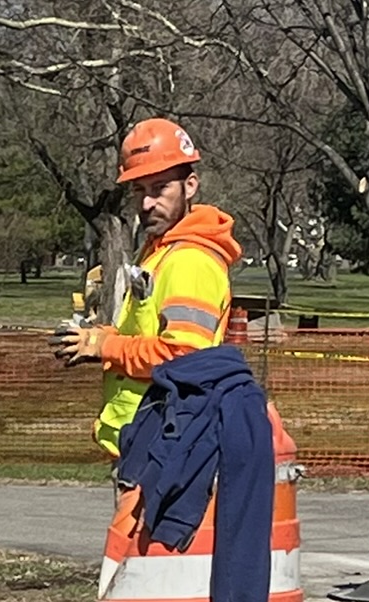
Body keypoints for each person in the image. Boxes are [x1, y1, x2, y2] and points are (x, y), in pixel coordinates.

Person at [52, 118, 244, 456]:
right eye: (139, 189)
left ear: (190, 185)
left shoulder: (191, 260)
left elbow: (183, 358)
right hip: (146, 439)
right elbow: (144, 332)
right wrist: (93, 338)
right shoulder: (160, 250)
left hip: (167, 444)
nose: (146, 203)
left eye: (159, 188)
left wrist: (104, 347)